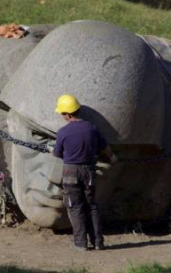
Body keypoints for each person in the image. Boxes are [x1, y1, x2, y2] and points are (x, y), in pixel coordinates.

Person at [50, 94, 117, 251]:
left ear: (68, 114)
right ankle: (98, 242)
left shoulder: (62, 132)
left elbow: (57, 153)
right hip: (89, 171)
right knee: (91, 205)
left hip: (71, 172)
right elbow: (105, 148)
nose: (62, 116)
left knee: (75, 206)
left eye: (62, 113)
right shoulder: (92, 128)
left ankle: (80, 244)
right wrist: (112, 158)